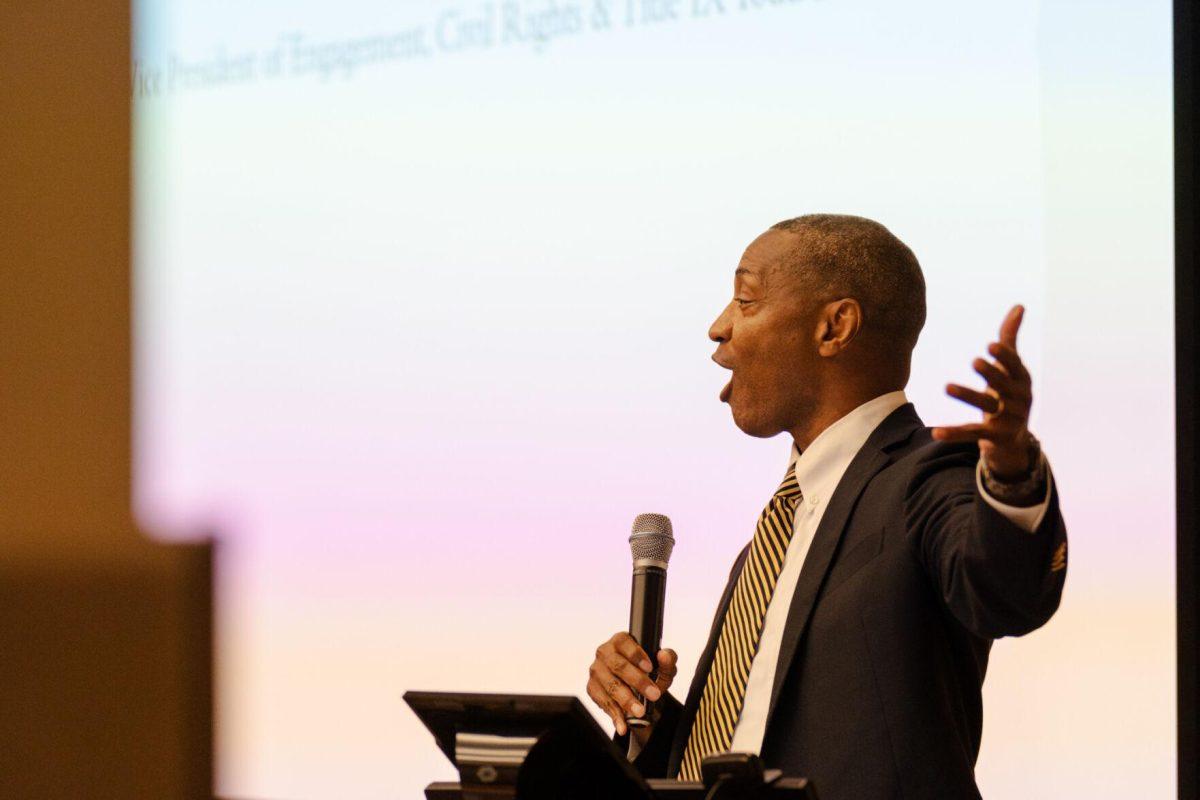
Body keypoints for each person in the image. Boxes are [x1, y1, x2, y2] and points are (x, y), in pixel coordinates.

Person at [585, 214, 1066, 800]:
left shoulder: (926, 477)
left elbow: (1004, 592)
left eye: (745, 300)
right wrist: (649, 721)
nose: (718, 329)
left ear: (834, 327)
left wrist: (1013, 475)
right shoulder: (774, 538)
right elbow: (762, 744)